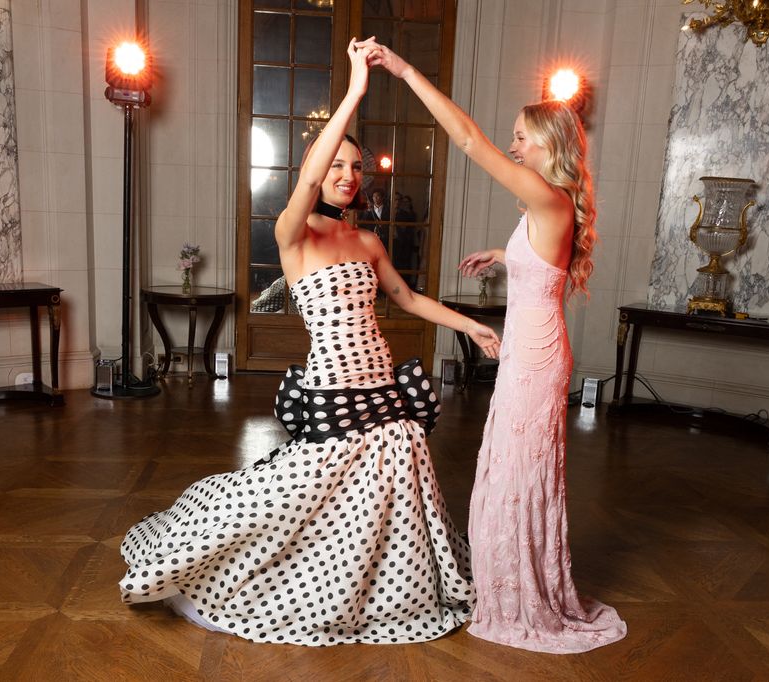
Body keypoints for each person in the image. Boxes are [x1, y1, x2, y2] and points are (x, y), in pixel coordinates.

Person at [119, 38, 502, 647]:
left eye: (356, 168)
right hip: (332, 383)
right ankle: (271, 573)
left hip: (382, 384)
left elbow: (406, 299)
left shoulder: (367, 242)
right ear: (317, 172)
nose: (347, 177)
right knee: (300, 494)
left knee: (388, 498)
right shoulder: (292, 234)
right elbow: (305, 178)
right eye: (336, 166)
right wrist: (355, 91)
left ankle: (385, 593)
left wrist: (470, 325)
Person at [362, 39, 627, 653]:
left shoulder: (549, 198)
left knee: (519, 472)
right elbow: (544, 265)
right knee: (512, 469)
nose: (512, 146)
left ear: (549, 145)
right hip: (529, 351)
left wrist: (405, 69)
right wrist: (503, 254)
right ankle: (510, 587)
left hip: (535, 358)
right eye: (511, 137)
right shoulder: (547, 203)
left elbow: (467, 140)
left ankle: (523, 599)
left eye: (521, 137)